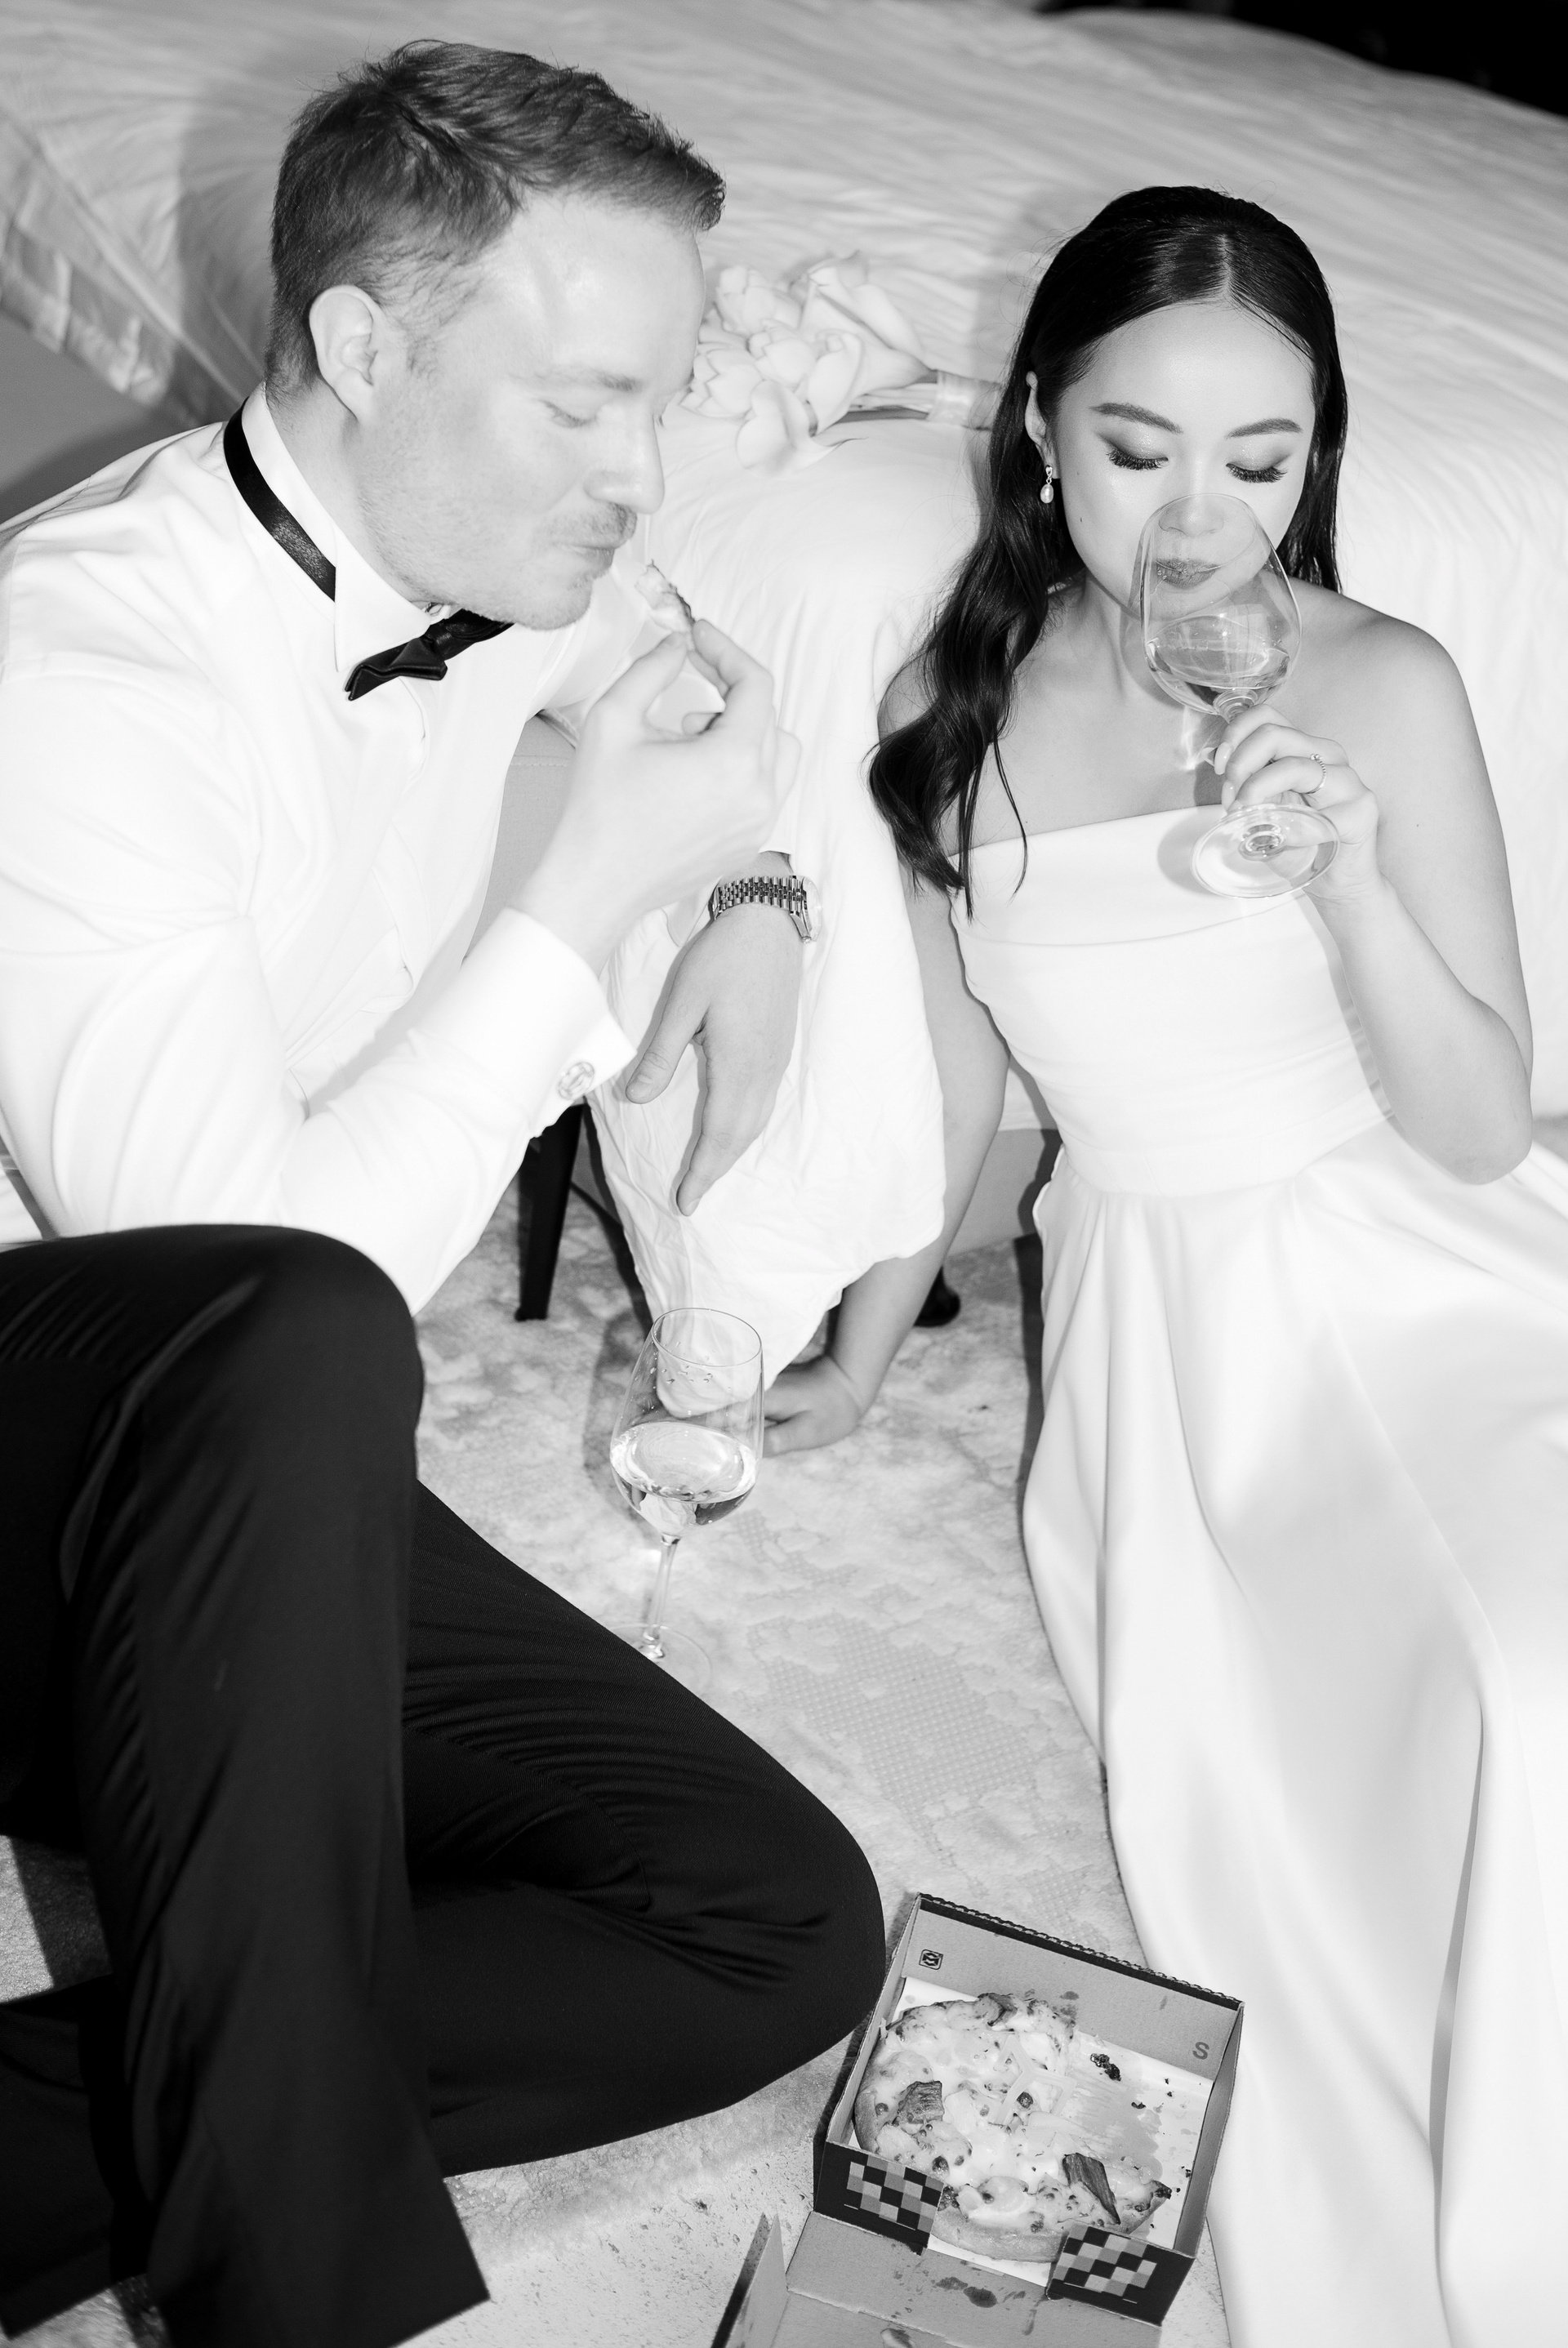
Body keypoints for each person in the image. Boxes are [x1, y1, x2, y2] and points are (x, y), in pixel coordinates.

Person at [0, 43, 884, 2348]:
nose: (644, 468)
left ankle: (191, 2108)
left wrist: (759, 883)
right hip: (43, 1469)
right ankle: (299, 2297)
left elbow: (684, 646)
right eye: (587, 403)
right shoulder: (80, 673)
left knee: (774, 1922)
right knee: (297, 1325)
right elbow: (242, 1275)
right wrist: (586, 896)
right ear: (366, 347)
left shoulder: (507, 544)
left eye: (663, 395)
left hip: (241, 1516)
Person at [764, 186, 1568, 2348]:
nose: (1202, 518)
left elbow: (1480, 1124)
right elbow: (962, 1065)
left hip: (1430, 1266)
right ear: (1041, 423)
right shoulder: (958, 696)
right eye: (1139, 450)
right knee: (1278, 1818)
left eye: (1262, 459)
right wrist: (868, 1346)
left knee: (1531, 1664)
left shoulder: (1381, 680)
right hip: (1171, 1332)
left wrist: (1355, 887)